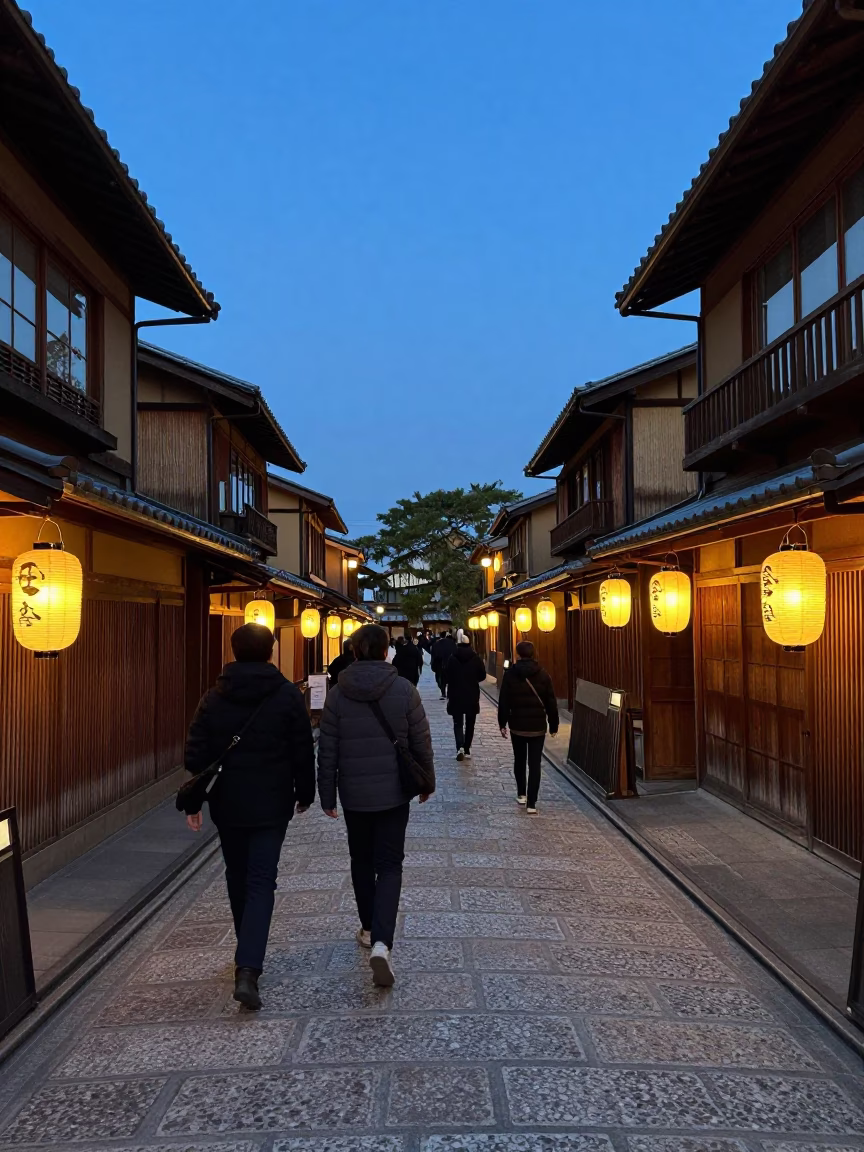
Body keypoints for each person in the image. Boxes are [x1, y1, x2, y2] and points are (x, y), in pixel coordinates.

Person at [184, 623, 315, 1009]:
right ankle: (248, 966)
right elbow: (302, 749)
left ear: (235, 651)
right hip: (271, 802)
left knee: (237, 875)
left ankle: (247, 954)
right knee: (262, 880)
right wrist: (305, 793)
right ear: (270, 652)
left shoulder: (214, 697)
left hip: (228, 802)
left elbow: (195, 755)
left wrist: (194, 803)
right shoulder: (287, 695)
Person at [318, 624, 435, 987]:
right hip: (394, 792)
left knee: (361, 860)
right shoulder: (404, 690)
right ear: (387, 652)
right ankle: (383, 942)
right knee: (390, 864)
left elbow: (327, 749)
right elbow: (421, 740)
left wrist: (326, 794)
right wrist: (427, 781)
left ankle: (368, 928)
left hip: (354, 794)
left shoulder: (337, 695)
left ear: (354, 652)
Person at [498, 640, 559, 814]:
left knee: (519, 760)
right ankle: (532, 803)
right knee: (535, 763)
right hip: (537, 726)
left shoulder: (510, 674)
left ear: (518, 654)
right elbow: (551, 703)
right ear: (533, 654)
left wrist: (502, 723)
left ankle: (521, 794)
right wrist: (553, 725)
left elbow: (504, 701)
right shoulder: (543, 675)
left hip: (517, 724)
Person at [445, 628, 486, 761]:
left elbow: (446, 676)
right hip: (471, 694)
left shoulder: (452, 658)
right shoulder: (476, 658)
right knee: (470, 722)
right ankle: (467, 748)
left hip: (455, 694)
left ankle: (459, 747)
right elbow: (482, 676)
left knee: (457, 722)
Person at [430, 629, 456, 700]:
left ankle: (443, 693)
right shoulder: (452, 643)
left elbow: (433, 656)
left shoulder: (436, 644)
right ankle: (449, 693)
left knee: (441, 680)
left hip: (440, 665)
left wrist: (433, 666)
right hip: (450, 664)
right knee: (450, 680)